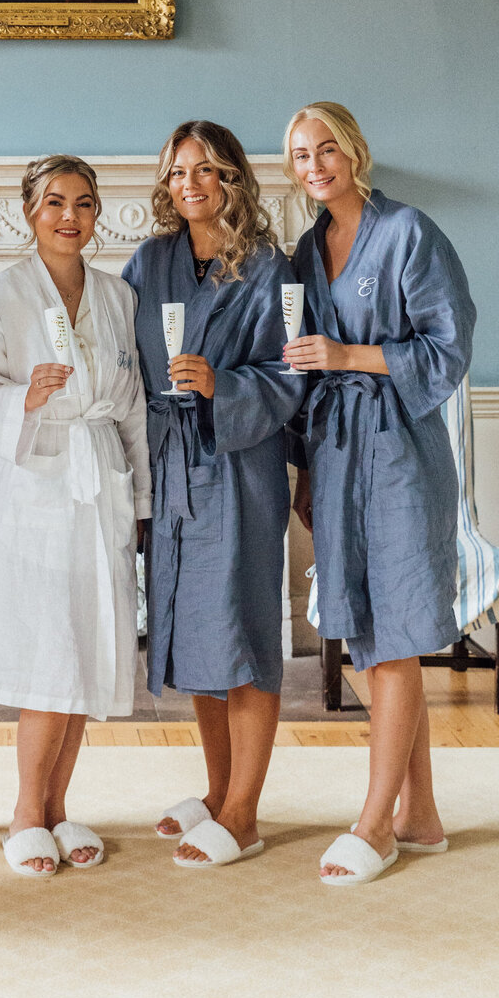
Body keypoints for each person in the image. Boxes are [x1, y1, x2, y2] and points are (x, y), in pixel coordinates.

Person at [283, 102, 475, 886]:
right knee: (364, 628)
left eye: (327, 148)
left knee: (391, 638)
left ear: (354, 150)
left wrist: (349, 353)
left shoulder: (410, 233)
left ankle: (376, 824)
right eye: (300, 155)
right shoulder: (306, 247)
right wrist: (301, 468)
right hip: (332, 452)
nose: (316, 164)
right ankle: (420, 813)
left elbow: (449, 343)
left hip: (398, 450)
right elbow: (300, 367)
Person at [0, 155, 151, 878]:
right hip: (32, 486)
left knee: (87, 647)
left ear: (97, 215)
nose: (70, 217)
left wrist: (143, 501)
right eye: (54, 203)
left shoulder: (117, 296)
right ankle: (23, 814)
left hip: (101, 480)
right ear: (29, 213)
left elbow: (130, 403)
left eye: (84, 204)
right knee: (47, 650)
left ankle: (59, 807)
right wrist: (26, 398)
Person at [122, 121, 304, 869]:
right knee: (193, 630)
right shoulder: (150, 260)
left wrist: (222, 384)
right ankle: (218, 787)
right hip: (171, 466)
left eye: (207, 170)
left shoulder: (271, 267)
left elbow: (294, 374)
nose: (191, 184)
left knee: (243, 633)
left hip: (238, 465)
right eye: (178, 172)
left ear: (233, 178)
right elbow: (119, 355)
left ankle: (245, 813)